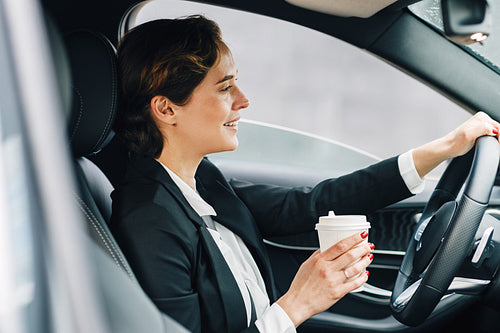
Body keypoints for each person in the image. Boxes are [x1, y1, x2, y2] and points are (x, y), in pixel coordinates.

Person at [110, 15, 500, 333]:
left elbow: (315, 203)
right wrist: (297, 305)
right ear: (166, 109)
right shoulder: (148, 220)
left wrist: (443, 149)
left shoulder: (201, 180)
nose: (244, 101)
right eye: (225, 87)